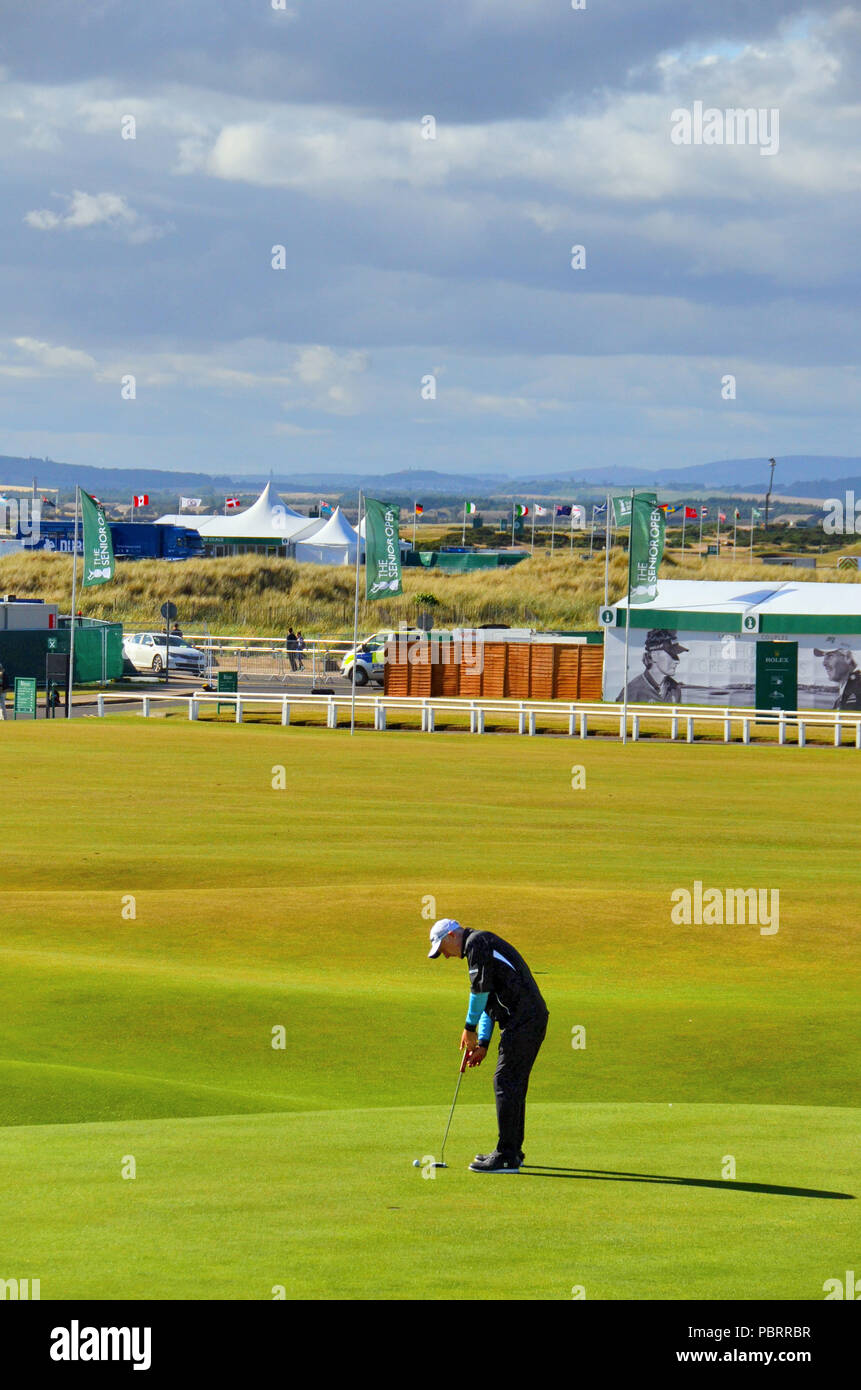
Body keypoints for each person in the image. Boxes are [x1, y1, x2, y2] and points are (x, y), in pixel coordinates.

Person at [427, 917, 549, 1173]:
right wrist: (482, 1042)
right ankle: (513, 1152)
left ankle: (506, 1155)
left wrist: (468, 1028)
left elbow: (479, 993)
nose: (445, 956)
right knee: (512, 1082)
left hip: (524, 1019)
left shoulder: (476, 943)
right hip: (525, 1019)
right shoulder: (479, 948)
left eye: (442, 949)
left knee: (505, 1081)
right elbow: (487, 1001)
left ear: (451, 936)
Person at [616, 628, 687, 703]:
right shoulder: (633, 691)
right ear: (654, 656)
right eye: (671, 654)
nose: (677, 661)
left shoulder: (675, 689)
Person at [814, 645, 861, 709]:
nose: (824, 663)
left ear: (848, 658)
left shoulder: (857, 691)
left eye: (830, 656)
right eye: (825, 657)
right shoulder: (847, 692)